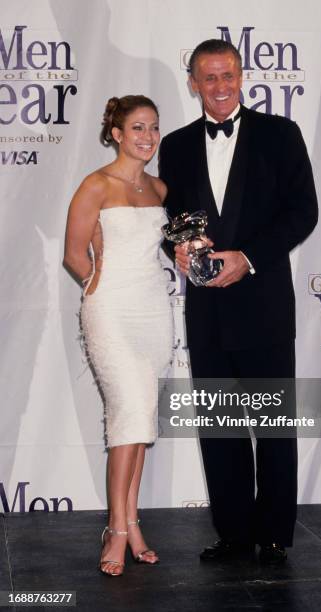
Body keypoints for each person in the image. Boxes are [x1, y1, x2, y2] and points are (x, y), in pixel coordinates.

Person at [159, 39, 318, 565]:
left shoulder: (281, 134)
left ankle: (273, 535)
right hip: (206, 310)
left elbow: (303, 213)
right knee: (220, 426)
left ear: (242, 75)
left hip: (265, 304)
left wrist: (247, 257)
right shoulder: (177, 145)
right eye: (209, 78)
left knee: (273, 426)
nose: (220, 86)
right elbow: (174, 224)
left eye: (227, 75)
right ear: (194, 83)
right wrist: (178, 251)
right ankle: (232, 533)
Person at [64, 95, 173, 576]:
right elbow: (73, 255)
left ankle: (132, 522)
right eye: (137, 128)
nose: (147, 137)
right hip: (110, 311)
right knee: (128, 411)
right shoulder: (95, 185)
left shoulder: (160, 189)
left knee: (140, 418)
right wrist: (100, 288)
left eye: (152, 128)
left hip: (155, 312)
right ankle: (116, 528)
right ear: (116, 134)